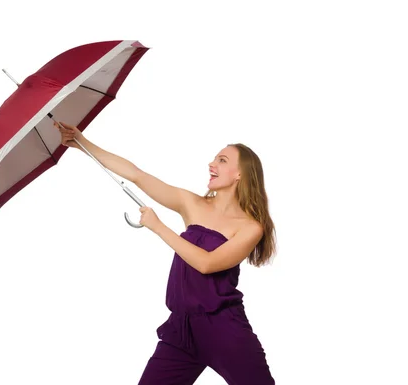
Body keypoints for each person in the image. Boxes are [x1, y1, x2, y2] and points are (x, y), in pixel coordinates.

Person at [54, 120, 276, 385]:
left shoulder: (251, 228)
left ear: (240, 174)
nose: (211, 164)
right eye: (215, 158)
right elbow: (136, 174)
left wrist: (159, 227)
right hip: (181, 329)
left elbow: (207, 264)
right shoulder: (191, 203)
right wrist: (82, 143)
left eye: (222, 160)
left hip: (224, 329)